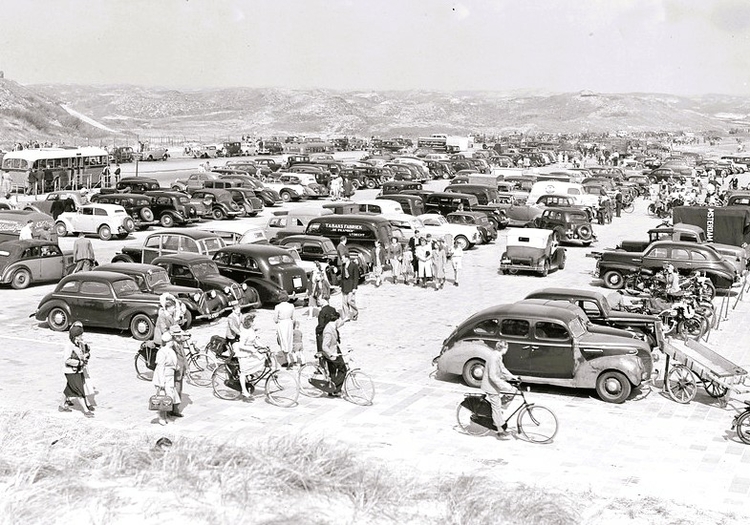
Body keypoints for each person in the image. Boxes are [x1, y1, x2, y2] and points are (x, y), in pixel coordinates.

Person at [480, 340, 519, 438]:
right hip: (490, 385)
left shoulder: (497, 356)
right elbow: (492, 376)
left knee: (513, 390)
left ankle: (499, 411)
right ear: (504, 348)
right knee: (496, 407)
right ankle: (500, 430)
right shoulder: (494, 357)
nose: (507, 350)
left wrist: (513, 377)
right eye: (507, 348)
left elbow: (502, 369)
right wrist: (505, 385)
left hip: (494, 384)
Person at [59, 322, 94, 418]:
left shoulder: (77, 344)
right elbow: (67, 360)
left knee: (69, 389)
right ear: (76, 336)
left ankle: (61, 406)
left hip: (77, 370)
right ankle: (86, 411)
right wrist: (79, 363)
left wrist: (85, 357)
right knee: (79, 391)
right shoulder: (69, 345)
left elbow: (81, 354)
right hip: (71, 371)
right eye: (80, 335)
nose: (82, 336)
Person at [233, 313, 265, 400]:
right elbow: (241, 345)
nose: (254, 323)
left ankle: (251, 379)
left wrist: (263, 346)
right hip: (243, 353)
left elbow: (255, 340)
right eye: (253, 321)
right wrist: (252, 350)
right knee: (243, 372)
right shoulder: (244, 333)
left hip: (250, 351)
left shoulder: (251, 330)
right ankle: (244, 390)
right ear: (249, 322)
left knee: (261, 359)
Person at [316, 309, 349, 395]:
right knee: (343, 369)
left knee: (333, 372)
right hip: (331, 352)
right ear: (336, 319)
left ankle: (332, 390)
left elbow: (339, 324)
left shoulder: (333, 324)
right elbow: (324, 346)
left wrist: (346, 319)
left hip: (335, 349)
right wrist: (332, 354)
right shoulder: (328, 332)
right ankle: (334, 388)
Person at [152, 329, 181, 425]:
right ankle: (161, 417)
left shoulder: (171, 351)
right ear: (168, 341)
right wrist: (161, 382)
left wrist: (176, 367)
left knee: (169, 398)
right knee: (163, 398)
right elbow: (160, 367)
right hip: (163, 377)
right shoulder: (162, 352)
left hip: (170, 376)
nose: (173, 341)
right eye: (172, 340)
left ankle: (166, 416)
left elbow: (173, 363)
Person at [274, 299, 295, 367]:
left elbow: (275, 319)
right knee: (289, 340)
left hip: (282, 324)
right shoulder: (291, 306)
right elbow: (294, 318)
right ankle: (292, 358)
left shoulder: (278, 307)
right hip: (289, 323)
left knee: (283, 341)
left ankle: (287, 359)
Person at [340, 254, 360, 321]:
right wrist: (341, 286)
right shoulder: (343, 266)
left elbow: (356, 277)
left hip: (351, 286)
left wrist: (355, 287)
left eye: (343, 258)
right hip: (344, 286)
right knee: (344, 302)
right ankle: (347, 316)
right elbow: (342, 277)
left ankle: (355, 313)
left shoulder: (353, 265)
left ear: (347, 258)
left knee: (350, 301)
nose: (342, 259)